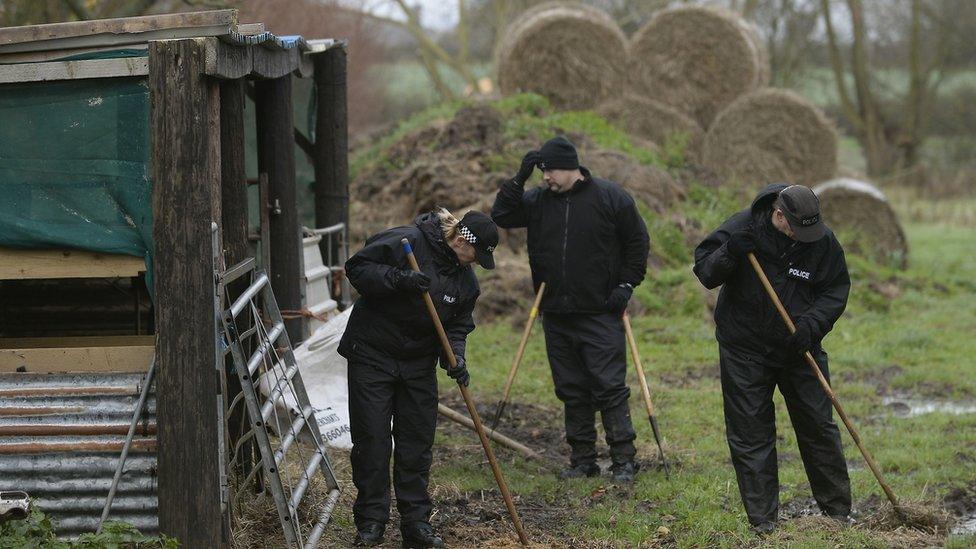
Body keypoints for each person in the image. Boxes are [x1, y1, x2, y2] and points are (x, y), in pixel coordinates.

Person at [693, 183, 852, 534]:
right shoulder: (741, 228)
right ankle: (763, 521)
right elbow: (705, 272)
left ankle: (837, 512)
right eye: (798, 229)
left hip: (800, 349)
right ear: (779, 216)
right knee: (751, 434)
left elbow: (835, 288)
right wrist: (731, 252)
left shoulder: (821, 241)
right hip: (744, 349)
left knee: (818, 428)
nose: (805, 237)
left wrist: (813, 324)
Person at [492, 136, 650, 483]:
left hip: (600, 311)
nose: (545, 177)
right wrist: (518, 179)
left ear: (569, 167)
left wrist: (625, 285)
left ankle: (624, 459)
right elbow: (501, 215)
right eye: (542, 171)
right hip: (555, 312)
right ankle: (583, 460)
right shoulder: (537, 201)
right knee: (571, 388)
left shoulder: (611, 198)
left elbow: (638, 242)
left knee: (609, 387)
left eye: (549, 171)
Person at [338, 208, 498, 547]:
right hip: (372, 354)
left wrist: (455, 357)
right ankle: (371, 521)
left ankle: (416, 523)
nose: (476, 262)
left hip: (417, 365)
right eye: (476, 254)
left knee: (416, 444)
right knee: (373, 441)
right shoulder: (406, 242)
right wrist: (399, 280)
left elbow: (457, 325)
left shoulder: (465, 281)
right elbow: (358, 268)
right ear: (460, 240)